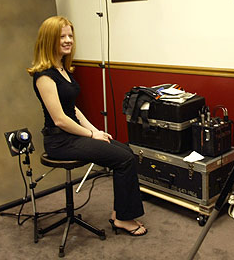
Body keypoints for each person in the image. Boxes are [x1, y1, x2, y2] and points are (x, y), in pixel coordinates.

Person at [27, 15, 147, 236]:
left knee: (126, 151)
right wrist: (90, 136)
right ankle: (124, 218)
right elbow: (60, 119)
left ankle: (119, 213)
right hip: (60, 141)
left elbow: (73, 110)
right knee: (124, 159)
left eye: (70, 35)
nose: (68, 40)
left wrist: (95, 130)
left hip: (73, 135)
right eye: (61, 36)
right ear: (48, 39)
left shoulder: (63, 69)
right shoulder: (44, 76)